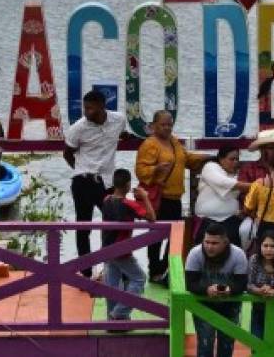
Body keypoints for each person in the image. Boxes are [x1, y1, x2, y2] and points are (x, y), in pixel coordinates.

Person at [135, 110, 207, 283]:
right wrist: (156, 169)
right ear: (153, 126)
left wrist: (210, 158)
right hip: (160, 198)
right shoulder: (150, 144)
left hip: (175, 198)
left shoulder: (174, 142)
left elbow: (186, 159)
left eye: (170, 124)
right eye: (163, 124)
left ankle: (164, 267)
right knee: (156, 236)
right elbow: (140, 170)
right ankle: (154, 271)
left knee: (175, 236)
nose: (167, 128)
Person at [64, 90, 127, 278]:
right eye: (85, 107)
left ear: (102, 105)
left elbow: (122, 133)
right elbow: (67, 152)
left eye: (90, 107)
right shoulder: (78, 128)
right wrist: (81, 169)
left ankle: (114, 268)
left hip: (106, 182)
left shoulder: (118, 119)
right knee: (84, 226)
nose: (86, 111)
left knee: (115, 224)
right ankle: (86, 271)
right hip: (83, 182)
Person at [184, 222, 248, 357]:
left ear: (225, 242)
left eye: (214, 243)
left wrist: (230, 290)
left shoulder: (238, 255)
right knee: (205, 344)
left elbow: (242, 284)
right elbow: (190, 284)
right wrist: (206, 290)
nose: (209, 246)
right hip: (203, 303)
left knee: (226, 345)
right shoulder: (195, 253)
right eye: (206, 242)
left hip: (230, 304)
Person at [100, 169, 156, 320]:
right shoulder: (129, 204)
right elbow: (151, 217)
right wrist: (144, 197)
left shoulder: (106, 200)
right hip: (121, 250)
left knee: (112, 285)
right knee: (139, 278)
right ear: (128, 185)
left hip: (106, 249)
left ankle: (112, 320)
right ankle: (119, 314)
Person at [194, 147, 250, 247]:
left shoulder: (238, 176)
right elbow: (222, 182)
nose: (235, 162)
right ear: (221, 159)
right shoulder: (210, 167)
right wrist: (255, 186)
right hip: (207, 219)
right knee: (206, 246)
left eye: (237, 159)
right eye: (232, 159)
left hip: (231, 219)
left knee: (233, 243)